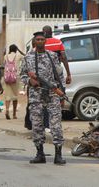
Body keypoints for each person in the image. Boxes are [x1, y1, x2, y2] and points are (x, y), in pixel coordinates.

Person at [20, 31, 66, 165]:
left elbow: (60, 75)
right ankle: (40, 154)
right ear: (34, 42)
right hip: (36, 95)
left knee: (56, 124)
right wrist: (29, 81)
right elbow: (21, 75)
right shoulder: (28, 57)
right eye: (37, 40)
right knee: (36, 124)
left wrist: (62, 93)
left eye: (42, 39)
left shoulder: (52, 56)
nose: (40, 41)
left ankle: (58, 154)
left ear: (45, 41)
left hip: (52, 94)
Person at [3, 44, 24, 120]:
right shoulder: (18, 56)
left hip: (7, 78)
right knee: (15, 96)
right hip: (15, 78)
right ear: (16, 49)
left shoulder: (5, 56)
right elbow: (26, 57)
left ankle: (7, 110)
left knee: (8, 96)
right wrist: (19, 51)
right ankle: (14, 114)